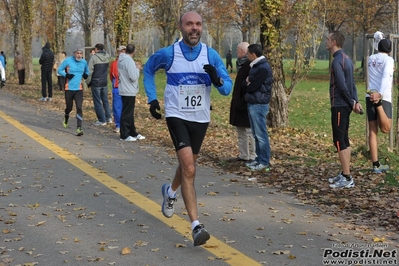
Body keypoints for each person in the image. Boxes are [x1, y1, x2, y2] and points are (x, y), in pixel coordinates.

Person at [143, 11, 232, 246]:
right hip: (176, 115)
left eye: (198, 24)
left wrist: (218, 79)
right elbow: (148, 70)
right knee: (190, 168)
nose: (194, 28)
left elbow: (227, 89)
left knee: (187, 166)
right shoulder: (168, 53)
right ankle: (196, 226)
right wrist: (152, 99)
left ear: (202, 28)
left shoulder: (210, 55)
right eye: (189, 24)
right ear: (181, 27)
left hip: (200, 118)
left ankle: (170, 193)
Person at [326, 31, 363, 188]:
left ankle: (347, 178)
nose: (326, 42)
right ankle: (344, 173)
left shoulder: (337, 62)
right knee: (344, 139)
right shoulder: (346, 59)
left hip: (340, 105)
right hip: (345, 104)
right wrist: (355, 101)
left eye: (328, 39)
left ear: (334, 42)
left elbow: (342, 85)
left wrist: (351, 102)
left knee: (339, 141)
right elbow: (352, 83)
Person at [241, 44, 272, 172]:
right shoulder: (255, 67)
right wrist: (248, 83)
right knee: (255, 133)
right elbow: (244, 83)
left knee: (260, 134)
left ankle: (264, 161)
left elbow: (252, 86)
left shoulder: (263, 68)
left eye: (248, 53)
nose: (246, 55)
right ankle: (258, 159)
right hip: (253, 102)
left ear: (253, 55)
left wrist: (248, 84)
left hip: (259, 104)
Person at [366, 36, 393, 174]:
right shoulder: (389, 60)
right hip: (383, 96)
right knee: (386, 128)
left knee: (372, 130)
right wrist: (380, 95)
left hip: (369, 94)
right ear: (390, 50)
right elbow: (385, 76)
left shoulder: (371, 58)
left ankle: (375, 164)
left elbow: (378, 46)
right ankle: (379, 104)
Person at [228, 42, 256, 162]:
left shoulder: (251, 65)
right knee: (241, 130)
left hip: (247, 101)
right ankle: (244, 155)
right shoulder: (240, 64)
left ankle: (253, 155)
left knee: (250, 131)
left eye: (237, 50)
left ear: (244, 52)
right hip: (239, 101)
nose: (236, 52)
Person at [58, 46, 89, 136]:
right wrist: (66, 75)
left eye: (80, 53)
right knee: (69, 107)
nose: (79, 55)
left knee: (79, 107)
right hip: (69, 88)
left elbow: (87, 71)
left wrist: (86, 75)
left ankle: (79, 128)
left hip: (79, 89)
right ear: (74, 53)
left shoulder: (84, 62)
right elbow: (59, 70)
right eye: (77, 53)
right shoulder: (68, 61)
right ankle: (66, 115)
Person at [118, 44, 145, 141]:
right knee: (127, 113)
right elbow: (133, 77)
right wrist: (137, 69)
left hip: (124, 88)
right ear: (134, 51)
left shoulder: (121, 59)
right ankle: (124, 134)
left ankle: (132, 132)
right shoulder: (128, 60)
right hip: (129, 89)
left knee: (129, 112)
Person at [86, 43, 112, 126]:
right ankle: (109, 118)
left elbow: (90, 72)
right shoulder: (107, 56)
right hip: (104, 82)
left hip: (96, 82)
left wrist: (88, 82)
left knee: (97, 101)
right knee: (105, 101)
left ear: (96, 49)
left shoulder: (93, 58)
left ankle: (101, 120)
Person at [110, 46, 125, 134]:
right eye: (121, 51)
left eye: (124, 51)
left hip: (127, 89)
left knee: (125, 108)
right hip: (117, 88)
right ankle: (119, 125)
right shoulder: (114, 64)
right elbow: (112, 76)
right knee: (117, 108)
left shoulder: (130, 63)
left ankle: (124, 125)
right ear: (118, 53)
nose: (123, 53)